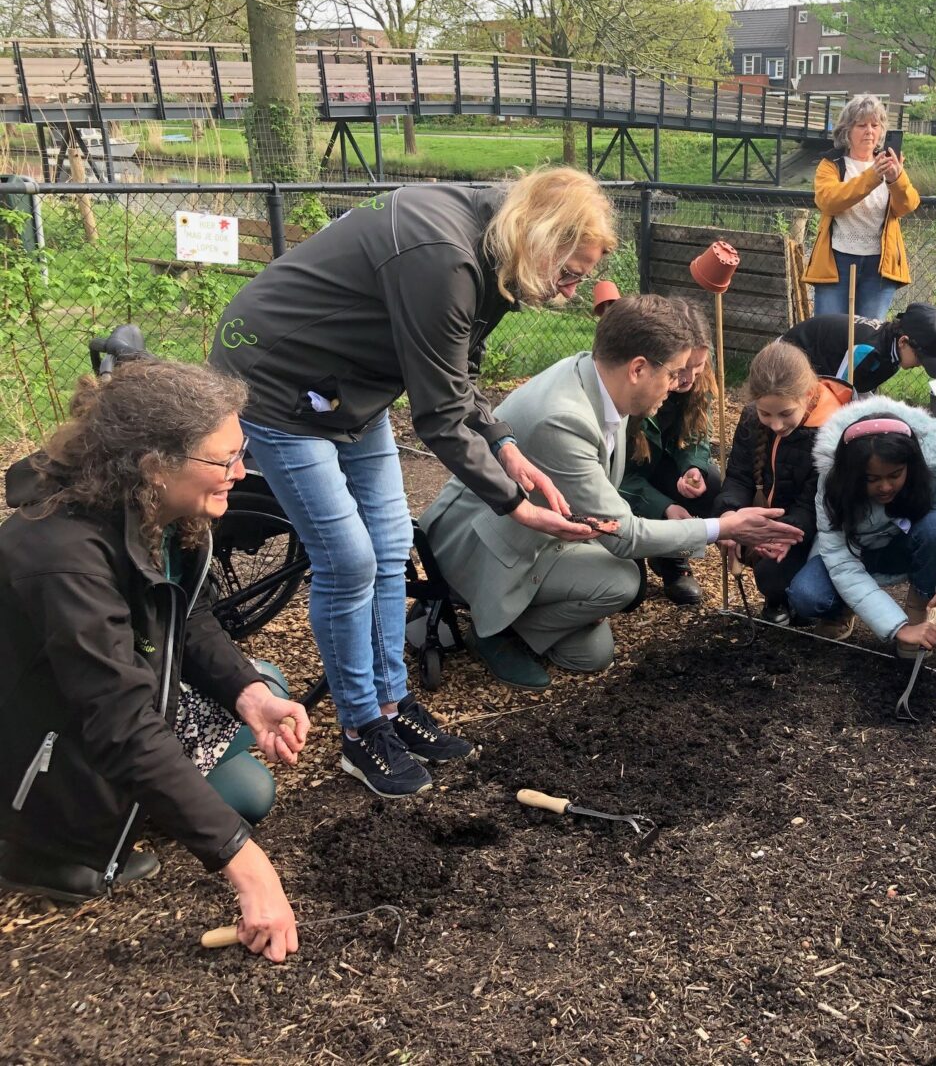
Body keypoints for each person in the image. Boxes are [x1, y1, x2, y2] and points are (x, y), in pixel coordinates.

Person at [210, 169, 614, 798]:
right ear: (540, 234)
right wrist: (515, 506)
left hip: (354, 384)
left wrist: (506, 446)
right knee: (349, 559)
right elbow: (439, 417)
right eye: (571, 268)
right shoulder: (445, 260)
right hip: (280, 381)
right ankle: (360, 728)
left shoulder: (497, 248)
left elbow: (458, 374)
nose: (574, 285)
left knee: (392, 542)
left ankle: (393, 704)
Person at [0, 361, 308, 962]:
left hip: (115, 698)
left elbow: (187, 617)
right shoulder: (60, 554)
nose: (240, 474)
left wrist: (247, 694)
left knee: (269, 685)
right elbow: (118, 722)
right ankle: (45, 850)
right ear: (154, 464)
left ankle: (154, 793)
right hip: (45, 750)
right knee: (244, 799)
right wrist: (249, 866)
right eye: (225, 460)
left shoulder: (153, 511)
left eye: (239, 452)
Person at [420, 296, 804, 688]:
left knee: (591, 654)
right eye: (672, 374)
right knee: (621, 581)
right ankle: (491, 631)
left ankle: (517, 620)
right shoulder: (564, 419)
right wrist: (725, 528)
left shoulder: (598, 381)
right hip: (483, 551)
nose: (676, 386)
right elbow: (626, 536)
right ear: (638, 368)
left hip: (537, 534)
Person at [788, 399, 936, 654]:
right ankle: (841, 610)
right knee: (807, 596)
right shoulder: (833, 485)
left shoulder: (929, 478)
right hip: (852, 554)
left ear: (910, 466)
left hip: (902, 550)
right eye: (872, 479)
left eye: (894, 475)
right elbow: (841, 562)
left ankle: (919, 611)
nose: (886, 487)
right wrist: (896, 627)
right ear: (853, 474)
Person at [715, 340, 853, 625]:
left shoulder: (832, 428)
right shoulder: (752, 419)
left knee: (794, 590)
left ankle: (830, 602)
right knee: (771, 575)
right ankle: (779, 595)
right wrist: (729, 514)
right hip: (774, 522)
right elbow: (739, 475)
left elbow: (813, 501)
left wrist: (782, 533)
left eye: (786, 413)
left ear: (807, 394)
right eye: (766, 414)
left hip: (813, 525)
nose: (776, 425)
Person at [620, 306, 720, 606]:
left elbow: (697, 436)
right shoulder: (633, 391)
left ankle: (671, 561)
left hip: (661, 466)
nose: (689, 377)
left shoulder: (698, 381)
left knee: (711, 481)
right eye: (682, 368)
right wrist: (663, 507)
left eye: (699, 366)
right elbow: (617, 478)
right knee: (629, 595)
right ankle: (630, 550)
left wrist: (693, 468)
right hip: (625, 480)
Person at [802, 94, 922, 320]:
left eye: (875, 125)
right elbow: (829, 201)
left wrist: (896, 179)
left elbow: (908, 205)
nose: (869, 131)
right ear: (847, 131)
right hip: (836, 262)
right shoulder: (831, 164)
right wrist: (872, 177)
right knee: (829, 330)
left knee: (868, 336)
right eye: (862, 125)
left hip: (879, 265)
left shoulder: (888, 163)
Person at [781, 303, 936, 394]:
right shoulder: (868, 349)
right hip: (787, 359)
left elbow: (860, 390)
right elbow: (840, 391)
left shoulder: (891, 351)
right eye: (921, 358)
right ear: (903, 342)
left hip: (822, 367)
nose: (921, 365)